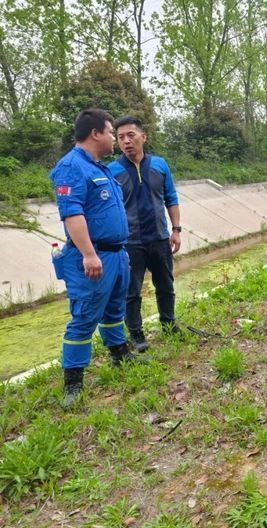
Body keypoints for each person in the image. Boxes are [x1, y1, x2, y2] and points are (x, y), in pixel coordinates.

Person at [49, 109, 136, 407]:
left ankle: (119, 354)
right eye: (111, 132)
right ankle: (73, 381)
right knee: (85, 316)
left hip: (115, 254)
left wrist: (120, 252)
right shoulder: (71, 167)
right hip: (92, 256)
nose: (114, 138)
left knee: (114, 309)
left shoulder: (100, 168)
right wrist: (88, 254)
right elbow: (72, 214)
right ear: (95, 133)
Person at [108, 116, 182, 352]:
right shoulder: (112, 171)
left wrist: (176, 229)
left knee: (166, 285)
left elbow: (171, 197)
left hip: (160, 238)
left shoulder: (160, 165)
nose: (126, 141)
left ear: (143, 136)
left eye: (131, 135)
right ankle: (136, 334)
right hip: (130, 243)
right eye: (121, 137)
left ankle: (169, 324)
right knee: (131, 291)